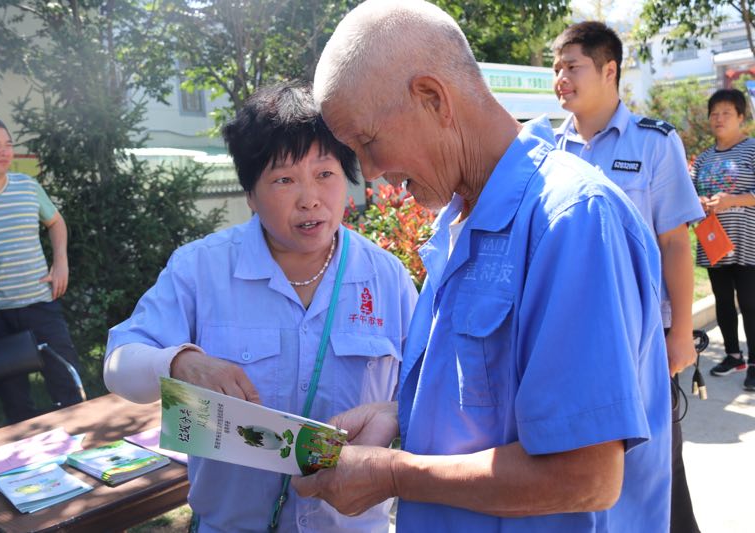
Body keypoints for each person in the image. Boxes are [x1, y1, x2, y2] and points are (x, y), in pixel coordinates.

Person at [294, 1, 672, 531]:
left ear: (432, 98)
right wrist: (400, 416)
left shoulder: (573, 219)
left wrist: (394, 475)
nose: (373, 173)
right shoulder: (460, 220)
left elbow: (586, 476)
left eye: (367, 142)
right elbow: (497, 400)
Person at [104, 82, 417, 532]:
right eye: (284, 179)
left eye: (325, 174)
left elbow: (430, 392)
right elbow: (118, 365)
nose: (310, 197)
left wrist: (394, 420)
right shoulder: (201, 268)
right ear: (250, 194)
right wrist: (180, 364)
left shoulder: (386, 277)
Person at [551, 21, 705, 533]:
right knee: (583, 469)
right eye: (557, 68)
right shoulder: (551, 153)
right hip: (574, 343)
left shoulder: (655, 144)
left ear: (609, 69)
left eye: (572, 67)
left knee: (655, 469)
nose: (561, 79)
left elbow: (674, 244)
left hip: (642, 342)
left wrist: (680, 331)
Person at [0, 114, 84, 424]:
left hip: (40, 305)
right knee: (16, 405)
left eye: (8, 144)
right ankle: (28, 467)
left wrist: (61, 261)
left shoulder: (27, 186)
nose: (5, 152)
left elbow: (55, 222)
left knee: (70, 387)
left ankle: (84, 452)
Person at [691, 88, 755, 392]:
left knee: (751, 303)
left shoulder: (752, 150)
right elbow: (686, 194)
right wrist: (698, 202)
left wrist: (734, 201)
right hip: (713, 243)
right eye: (714, 113)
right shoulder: (702, 158)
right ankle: (733, 356)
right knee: (724, 303)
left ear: (741, 117)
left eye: (726, 113)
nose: (719, 119)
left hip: (747, 243)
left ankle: (754, 363)